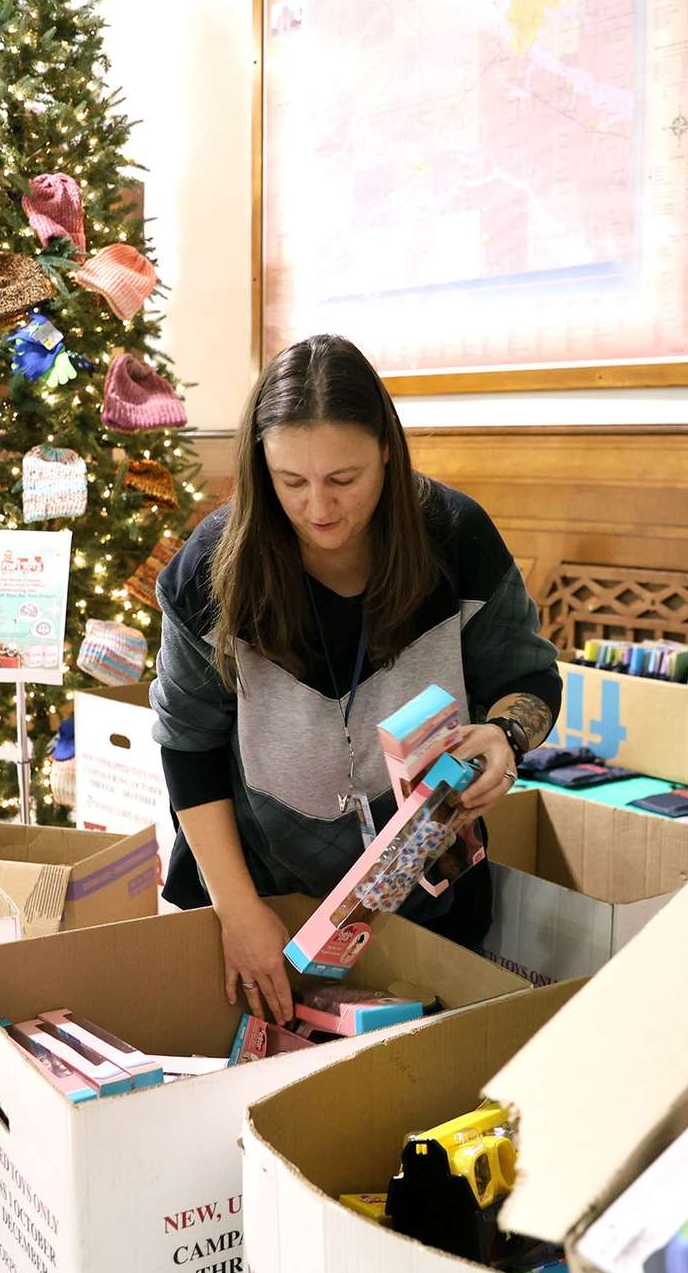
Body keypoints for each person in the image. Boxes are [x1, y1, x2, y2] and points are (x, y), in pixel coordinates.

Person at [150, 334, 560, 1024]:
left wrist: (505, 735)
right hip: (262, 896)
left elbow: (528, 677)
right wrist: (238, 911)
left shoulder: (455, 538)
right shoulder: (212, 567)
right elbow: (187, 746)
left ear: (387, 454)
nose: (319, 508)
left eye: (344, 479)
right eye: (291, 482)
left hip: (429, 900)